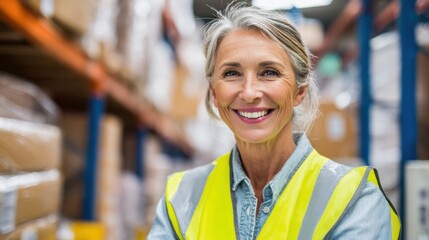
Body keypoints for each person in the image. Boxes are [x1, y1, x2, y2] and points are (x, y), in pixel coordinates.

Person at [147, 3, 401, 239]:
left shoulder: (355, 200)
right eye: (232, 73)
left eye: (269, 73)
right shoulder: (181, 198)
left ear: (299, 92)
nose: (248, 92)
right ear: (214, 93)